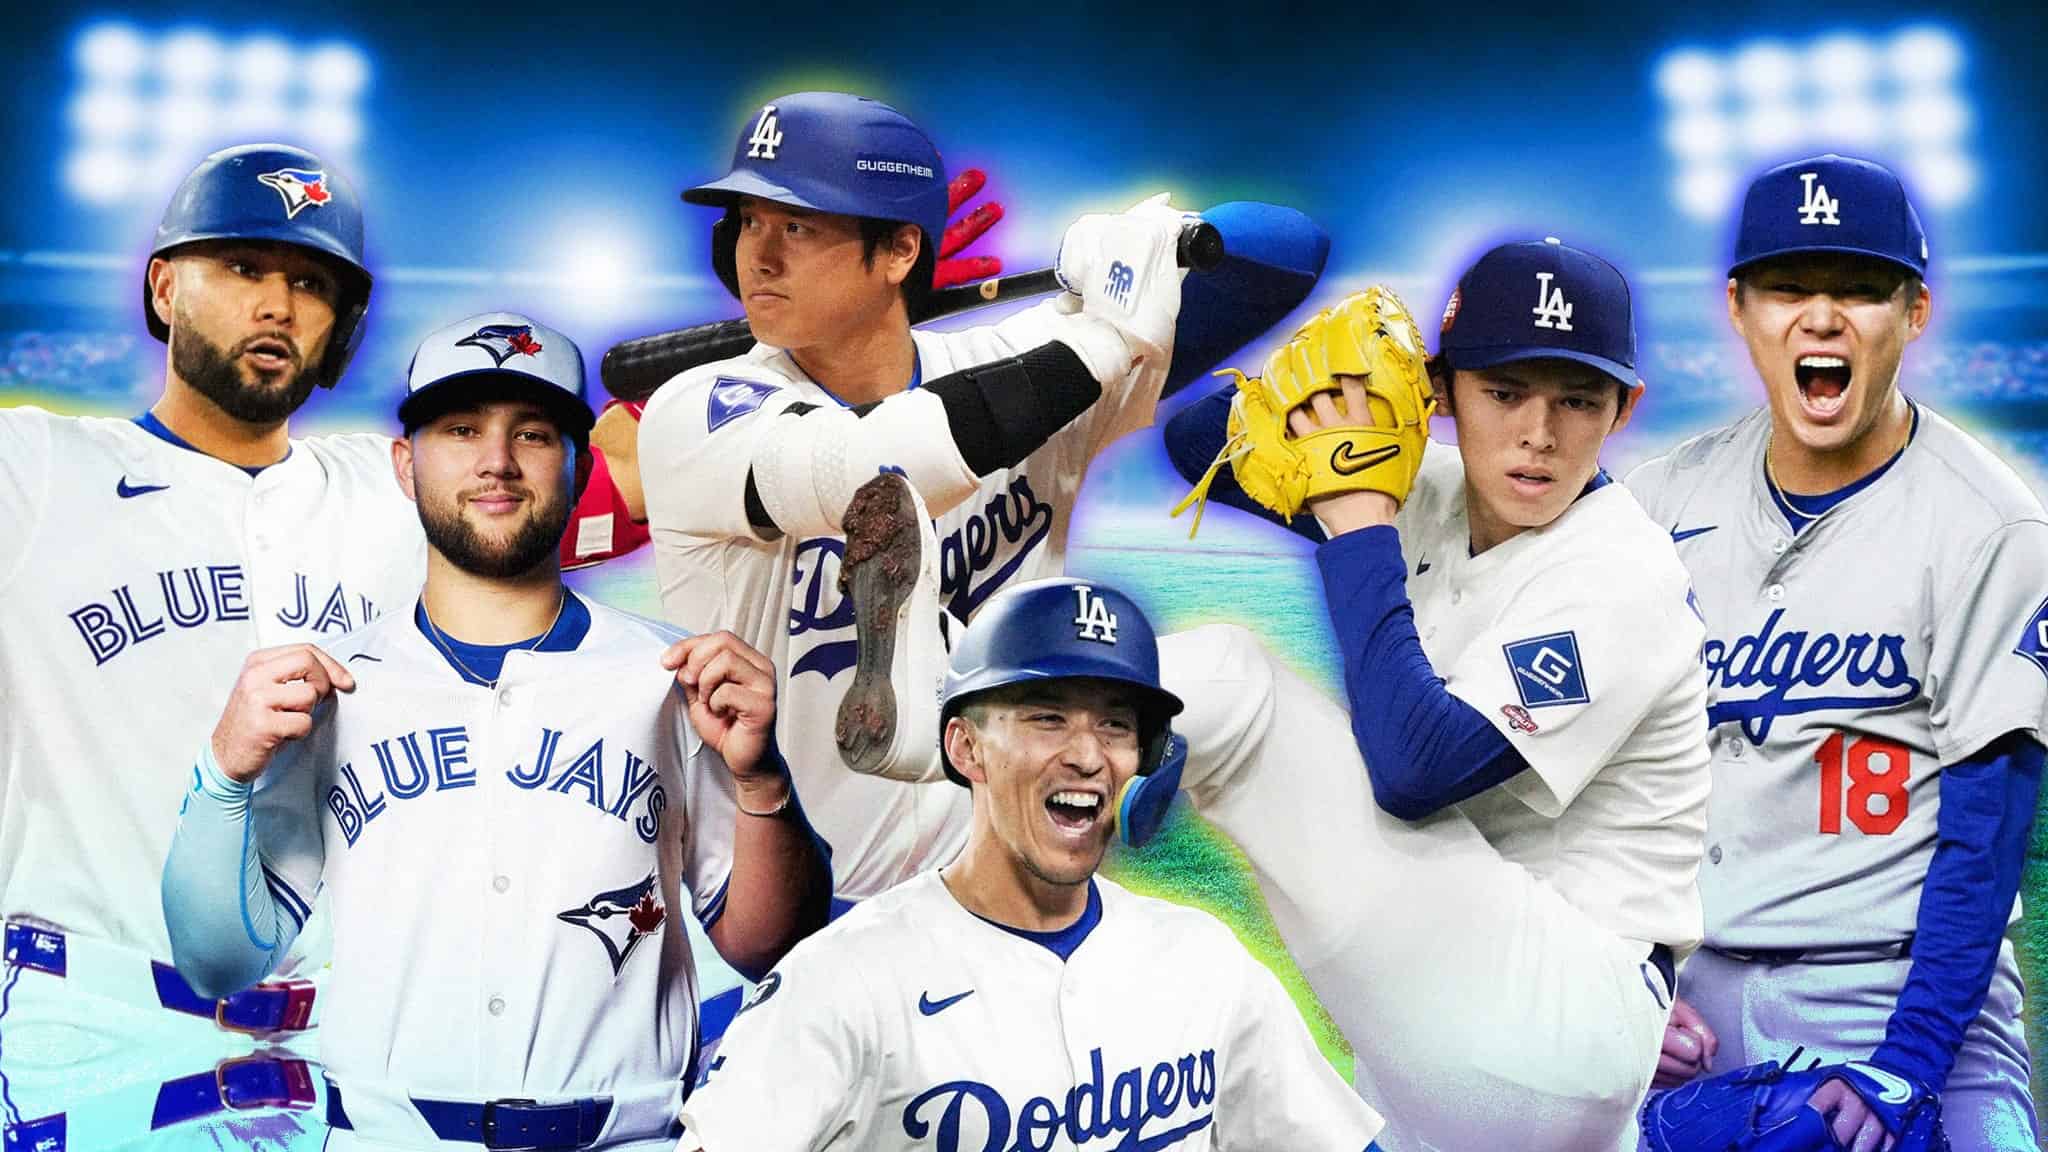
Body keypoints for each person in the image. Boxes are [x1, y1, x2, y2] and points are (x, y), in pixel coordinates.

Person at [0, 144, 645, 1144]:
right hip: (89, 1030)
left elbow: (634, 481)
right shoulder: (34, 473)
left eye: (309, 284)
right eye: (245, 269)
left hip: (332, 1061)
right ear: (165, 286)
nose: (278, 304)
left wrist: (841, 344)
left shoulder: (393, 499)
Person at [161, 313, 831, 1150]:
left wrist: (764, 780)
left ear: (580, 465)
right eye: (461, 429)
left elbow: (772, 944)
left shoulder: (672, 678)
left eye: (535, 433)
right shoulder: (330, 688)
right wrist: (224, 773)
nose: (497, 462)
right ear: (405, 466)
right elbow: (217, 963)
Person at [1114, 239, 1707, 1150]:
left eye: (1577, 401)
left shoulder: (1621, 572)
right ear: (1439, 391)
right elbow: (1197, 442)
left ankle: (967, 733)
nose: (1539, 435)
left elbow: (1414, 770)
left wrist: (1351, 516)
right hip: (1447, 1018)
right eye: (1504, 394)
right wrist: (1313, 396)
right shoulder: (1417, 479)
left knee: (1236, 686)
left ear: (1623, 407)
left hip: (1557, 1008)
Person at [636, 90, 1204, 903]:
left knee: (1208, 668)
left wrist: (1144, 246)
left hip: (988, 893)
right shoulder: (696, 411)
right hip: (786, 892)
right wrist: (1105, 335)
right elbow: (869, 469)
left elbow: (1283, 254)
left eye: (796, 227)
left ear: (900, 250)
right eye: (747, 224)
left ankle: (947, 692)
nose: (755, 257)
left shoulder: (1013, 359)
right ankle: (926, 713)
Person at [1629, 154, 2043, 1152]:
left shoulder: (1989, 524)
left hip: (1902, 995)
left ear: (1914, 312)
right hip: (1694, 998)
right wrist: (1626, 987)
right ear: (1736, 308)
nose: (1822, 316)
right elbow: (1602, 795)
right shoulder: (1654, 507)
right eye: (1787, 287)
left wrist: (1908, 1060)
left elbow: (1985, 831)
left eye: (1860, 289)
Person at [673, 577, 1386, 1152]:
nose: (1086, 753)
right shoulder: (846, 979)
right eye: (1047, 716)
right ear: (964, 749)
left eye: (1115, 723)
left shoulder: (1203, 963)